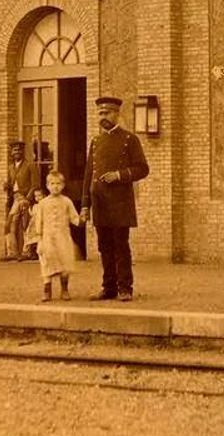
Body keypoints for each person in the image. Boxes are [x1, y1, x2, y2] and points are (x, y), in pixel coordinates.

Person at [80, 95, 150, 301]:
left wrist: (118, 175)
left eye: (107, 113)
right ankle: (108, 287)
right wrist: (85, 205)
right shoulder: (95, 142)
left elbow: (143, 169)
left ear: (117, 114)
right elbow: (88, 176)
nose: (103, 117)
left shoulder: (130, 139)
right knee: (104, 247)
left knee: (121, 246)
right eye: (100, 113)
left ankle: (125, 288)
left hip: (120, 203)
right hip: (100, 203)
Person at [27, 171, 82, 302]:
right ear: (47, 186)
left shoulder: (67, 201)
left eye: (58, 184)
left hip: (63, 237)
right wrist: (39, 240)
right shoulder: (43, 204)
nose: (55, 186)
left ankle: (64, 289)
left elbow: (74, 218)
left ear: (63, 185)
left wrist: (82, 219)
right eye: (52, 184)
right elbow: (38, 222)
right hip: (48, 238)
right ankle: (47, 290)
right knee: (47, 263)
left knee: (65, 262)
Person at [2, 140, 39, 261]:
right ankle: (12, 252)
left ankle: (27, 251)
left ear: (23, 152)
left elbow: (35, 184)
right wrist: (7, 186)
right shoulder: (11, 167)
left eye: (19, 150)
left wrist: (28, 199)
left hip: (25, 197)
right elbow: (11, 183)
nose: (17, 152)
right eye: (14, 150)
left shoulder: (30, 165)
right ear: (11, 153)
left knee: (26, 224)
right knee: (10, 224)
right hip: (15, 198)